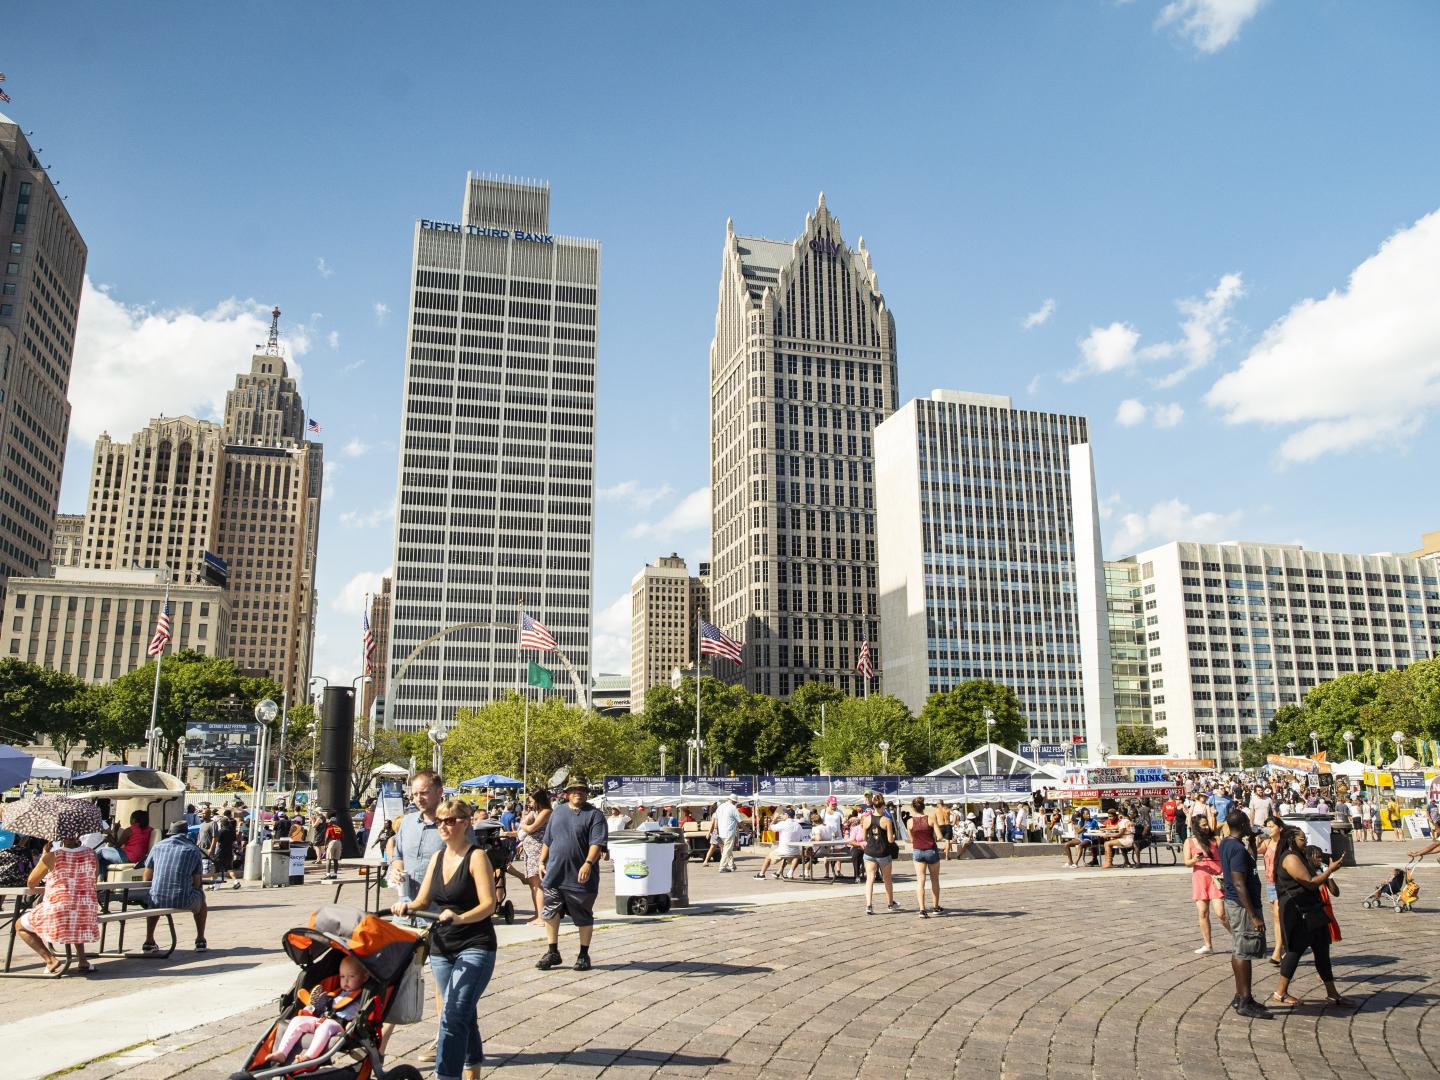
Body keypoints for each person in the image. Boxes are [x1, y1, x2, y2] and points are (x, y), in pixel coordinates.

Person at [392, 798, 498, 1080]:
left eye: (449, 820)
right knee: (462, 1011)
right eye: (439, 821)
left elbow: (489, 905)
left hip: (475, 944)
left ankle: (446, 1075)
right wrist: (406, 905)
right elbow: (424, 899)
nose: (442, 826)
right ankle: (473, 1066)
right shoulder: (438, 857)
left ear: (465, 823)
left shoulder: (477, 857)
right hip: (441, 947)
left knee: (452, 1014)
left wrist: (461, 917)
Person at [1269, 828, 1354, 1008]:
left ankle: (1332, 993)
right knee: (1294, 952)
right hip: (1298, 912)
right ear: (1292, 839)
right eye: (1302, 838)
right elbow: (1309, 882)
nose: (1305, 841)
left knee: (1322, 951)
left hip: (1313, 910)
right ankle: (1280, 992)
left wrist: (1324, 869)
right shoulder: (1290, 858)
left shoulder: (1300, 856)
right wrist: (1329, 870)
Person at [536, 779, 608, 972]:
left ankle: (584, 954)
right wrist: (541, 861)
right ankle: (552, 952)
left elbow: (597, 843)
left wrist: (588, 863)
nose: (577, 793)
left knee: (583, 914)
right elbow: (548, 839)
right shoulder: (558, 811)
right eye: (573, 790)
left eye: (581, 790)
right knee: (550, 912)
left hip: (580, 876)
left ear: (586, 793)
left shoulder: (595, 815)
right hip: (554, 874)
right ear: (567, 793)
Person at [16, 830, 100, 976]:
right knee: (74, 914)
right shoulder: (91, 854)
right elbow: (94, 876)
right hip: (86, 910)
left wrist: (44, 856)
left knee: (19, 926)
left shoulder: (52, 856)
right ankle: (82, 960)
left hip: (59, 910)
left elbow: (31, 883)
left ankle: (50, 960)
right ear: (78, 835)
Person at [266, 954, 367, 1066]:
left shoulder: (362, 996)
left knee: (327, 1025)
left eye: (351, 976)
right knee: (297, 1020)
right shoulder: (338, 992)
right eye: (342, 977)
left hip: (340, 1025)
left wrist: (353, 1027)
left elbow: (362, 1015)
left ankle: (309, 1057)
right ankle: (282, 1053)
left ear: (364, 977)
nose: (346, 981)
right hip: (323, 1018)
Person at [1219, 809, 1271, 1020]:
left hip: (1235, 902)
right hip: (1242, 904)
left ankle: (1241, 994)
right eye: (1247, 823)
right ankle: (1245, 1000)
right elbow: (1240, 883)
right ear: (1241, 825)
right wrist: (1254, 915)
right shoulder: (1237, 850)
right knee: (1244, 950)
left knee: (1239, 947)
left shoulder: (1228, 844)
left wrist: (1251, 846)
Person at [139, 820, 209, 952]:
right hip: (183, 899)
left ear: (170, 833)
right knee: (201, 898)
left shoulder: (157, 847)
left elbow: (147, 876)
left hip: (158, 899)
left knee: (154, 898)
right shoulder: (193, 850)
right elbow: (197, 883)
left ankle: (149, 940)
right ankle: (200, 939)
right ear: (186, 833)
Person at [1184, 816, 1229, 955]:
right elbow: (1187, 862)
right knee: (1203, 913)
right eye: (1203, 825)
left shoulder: (1215, 840)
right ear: (1196, 827)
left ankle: (1239, 938)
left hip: (1216, 878)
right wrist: (1194, 859)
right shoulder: (1190, 841)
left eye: (1206, 824)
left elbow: (1225, 857)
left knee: (1220, 913)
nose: (1206, 827)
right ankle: (1207, 944)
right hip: (1200, 878)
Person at [514, 789, 552, 925]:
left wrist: (522, 824)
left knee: (538, 884)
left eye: (531, 801)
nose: (530, 804)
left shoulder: (546, 812)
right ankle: (537, 914)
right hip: (530, 852)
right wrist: (525, 821)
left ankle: (542, 916)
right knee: (533, 884)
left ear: (538, 800)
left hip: (539, 851)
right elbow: (525, 825)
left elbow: (531, 828)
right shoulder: (534, 812)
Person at [861, 793, 898, 915]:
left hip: (870, 852)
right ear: (883, 806)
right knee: (887, 879)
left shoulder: (866, 819)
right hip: (883, 852)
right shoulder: (886, 820)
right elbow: (890, 840)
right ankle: (890, 904)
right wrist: (892, 836)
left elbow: (864, 838)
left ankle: (869, 905)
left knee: (870, 879)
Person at [909, 797, 942, 917]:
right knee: (934, 879)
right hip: (930, 850)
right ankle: (935, 907)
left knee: (920, 880)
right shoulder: (930, 819)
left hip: (917, 851)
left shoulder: (909, 822)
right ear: (923, 807)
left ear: (913, 807)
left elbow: (911, 839)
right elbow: (939, 837)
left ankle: (922, 909)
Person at [714, 794, 741, 872]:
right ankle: (722, 866)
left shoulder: (720, 807)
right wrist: (746, 830)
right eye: (735, 802)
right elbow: (739, 820)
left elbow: (716, 819)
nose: (735, 803)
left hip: (721, 832)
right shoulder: (733, 808)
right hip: (729, 832)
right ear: (733, 801)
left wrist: (716, 829)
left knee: (727, 849)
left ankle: (732, 865)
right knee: (727, 849)